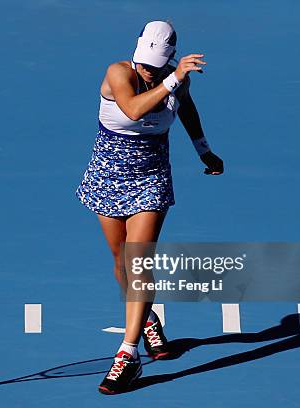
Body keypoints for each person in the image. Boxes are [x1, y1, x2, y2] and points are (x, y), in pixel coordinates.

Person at [75, 20, 224, 394]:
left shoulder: (173, 78)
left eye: (155, 64)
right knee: (119, 259)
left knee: (138, 260)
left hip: (151, 178)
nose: (146, 69)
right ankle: (147, 320)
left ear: (168, 58)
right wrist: (172, 79)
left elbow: (185, 109)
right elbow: (133, 110)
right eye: (144, 62)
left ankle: (127, 356)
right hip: (107, 175)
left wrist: (205, 150)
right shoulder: (117, 73)